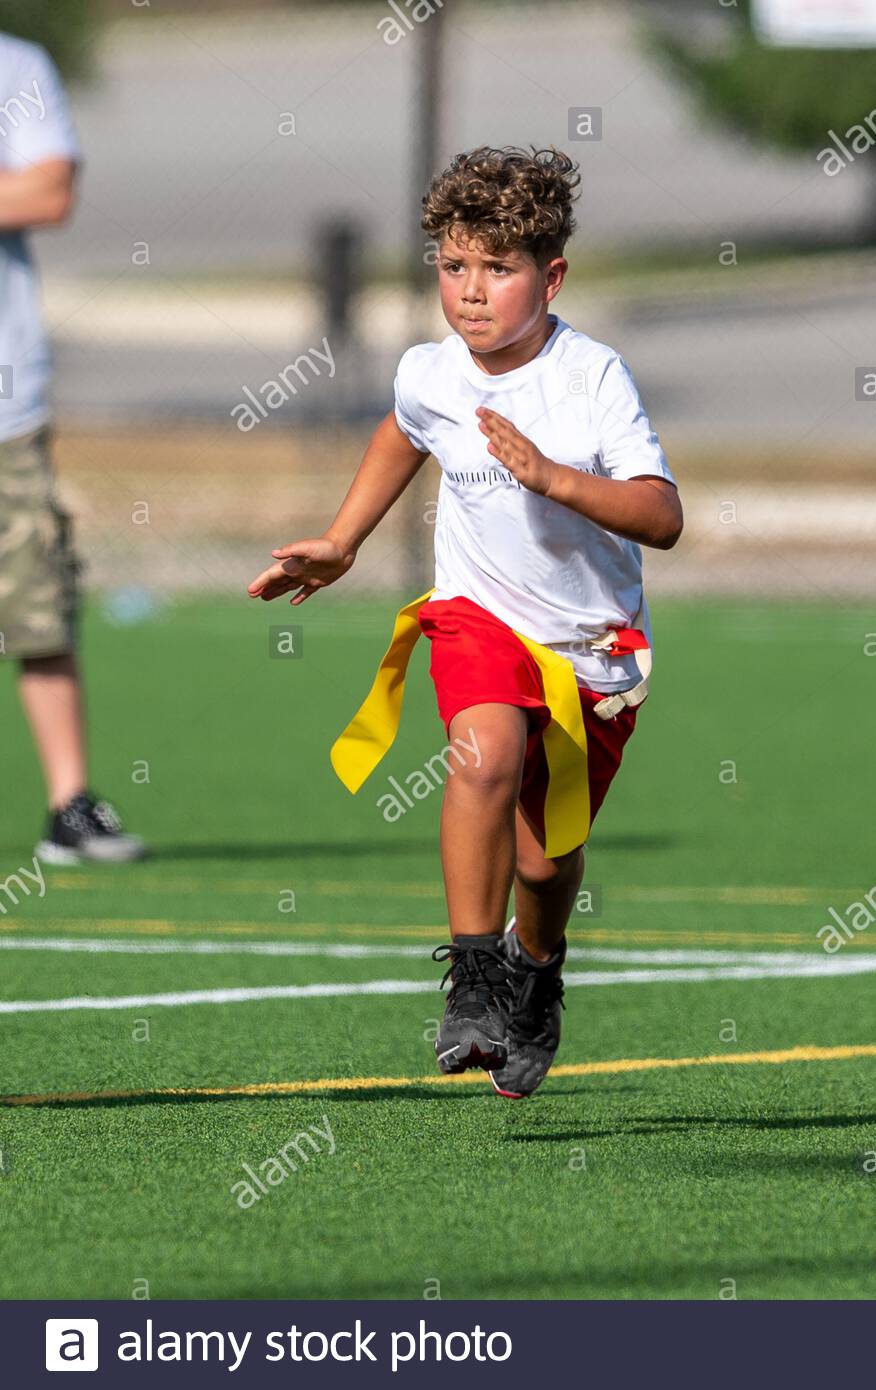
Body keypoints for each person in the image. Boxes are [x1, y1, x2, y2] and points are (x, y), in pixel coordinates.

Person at [248, 145, 682, 1097]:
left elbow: (662, 516)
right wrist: (344, 538)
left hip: (591, 653)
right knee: (481, 753)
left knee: (546, 858)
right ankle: (474, 981)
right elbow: (403, 429)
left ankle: (538, 969)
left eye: (498, 268)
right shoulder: (431, 373)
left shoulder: (592, 377)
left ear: (551, 275)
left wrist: (554, 479)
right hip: (479, 619)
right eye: (453, 267)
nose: (472, 292)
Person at [0, 32, 145, 865]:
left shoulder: (17, 65)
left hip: (7, 400)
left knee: (37, 603)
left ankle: (70, 808)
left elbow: (50, 190)